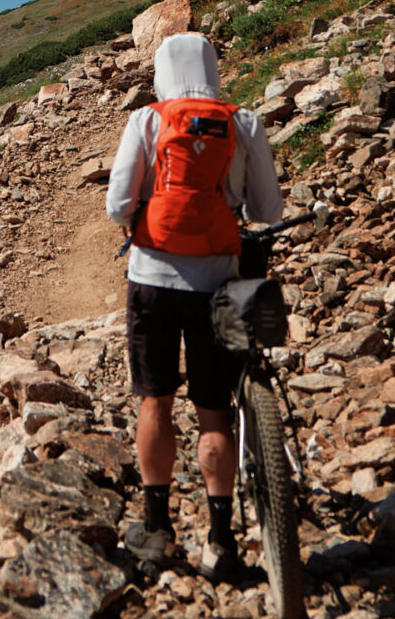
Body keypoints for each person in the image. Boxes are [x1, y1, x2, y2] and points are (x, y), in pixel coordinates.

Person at [106, 31, 283, 577]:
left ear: (161, 73)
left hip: (152, 281)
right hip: (219, 284)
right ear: (213, 70)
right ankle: (221, 540)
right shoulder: (243, 122)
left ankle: (158, 532)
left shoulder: (147, 121)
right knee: (214, 409)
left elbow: (117, 206)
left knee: (155, 401)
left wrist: (144, 214)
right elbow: (269, 211)